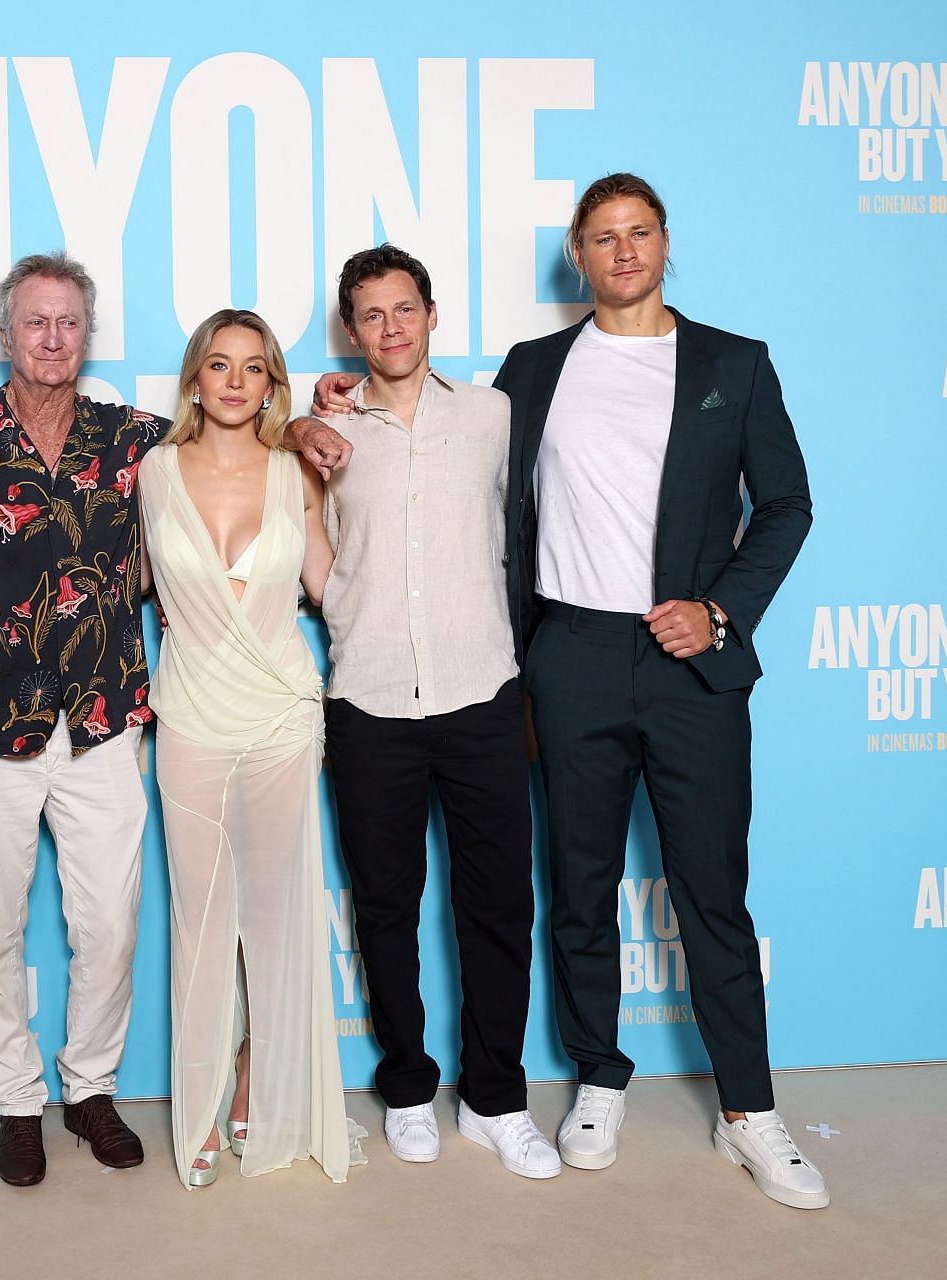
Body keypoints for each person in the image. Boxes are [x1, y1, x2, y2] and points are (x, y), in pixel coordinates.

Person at [0, 252, 352, 1189]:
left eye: (68, 323)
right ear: (7, 335)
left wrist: (307, 421)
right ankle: (17, 1103)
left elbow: (235, 438)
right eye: (35, 322)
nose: (52, 338)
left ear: (86, 334)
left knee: (108, 925)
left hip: (106, 718)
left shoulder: (138, 443)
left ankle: (91, 1092)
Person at [498, 173, 826, 1209]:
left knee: (711, 894)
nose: (623, 250)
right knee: (582, 887)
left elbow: (786, 503)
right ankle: (598, 1076)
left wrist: (721, 611)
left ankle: (749, 1111)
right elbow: (470, 476)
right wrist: (340, 408)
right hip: (572, 655)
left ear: (665, 243)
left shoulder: (734, 361)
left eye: (639, 233)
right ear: (578, 254)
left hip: (691, 664)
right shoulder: (533, 368)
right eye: (603, 237)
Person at [306, 246, 561, 1180]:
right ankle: (408, 1088)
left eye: (404, 308)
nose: (391, 328)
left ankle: (495, 1100)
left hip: (481, 691)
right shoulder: (325, 431)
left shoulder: (491, 416)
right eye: (371, 315)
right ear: (351, 330)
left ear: (433, 314)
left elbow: (532, 530)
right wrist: (338, 606)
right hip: (368, 696)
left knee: (497, 905)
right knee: (386, 906)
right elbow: (300, 531)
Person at [138, 309, 360, 1188]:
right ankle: (194, 1112)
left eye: (255, 368)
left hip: (280, 717)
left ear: (273, 383)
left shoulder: (291, 472)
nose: (236, 382)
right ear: (195, 377)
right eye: (220, 365)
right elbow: (120, 585)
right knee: (201, 924)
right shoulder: (151, 473)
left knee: (274, 916)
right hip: (189, 715)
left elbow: (333, 589)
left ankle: (256, 1087)